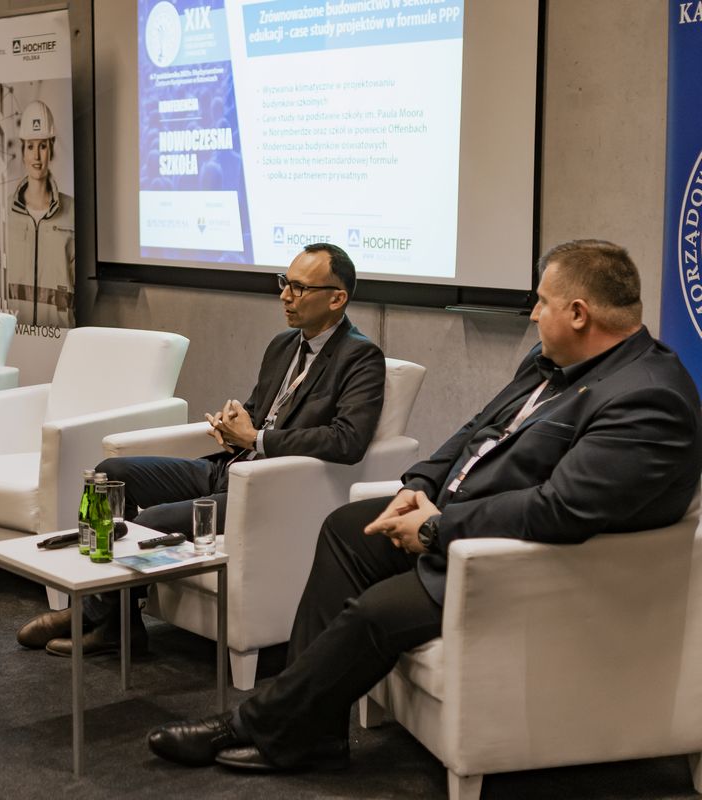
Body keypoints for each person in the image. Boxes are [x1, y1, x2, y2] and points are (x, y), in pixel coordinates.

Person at [146, 239, 702, 773]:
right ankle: (311, 732)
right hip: (458, 520)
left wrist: (438, 528)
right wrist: (415, 486)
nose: (533, 314)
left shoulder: (647, 399)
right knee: (346, 529)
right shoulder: (551, 359)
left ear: (578, 314)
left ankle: (254, 724)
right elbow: (477, 428)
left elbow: (558, 511)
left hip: (515, 561)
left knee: (373, 612)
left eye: (541, 302)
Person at [18, 243, 386, 657]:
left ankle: (95, 616)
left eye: (299, 288)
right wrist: (232, 425)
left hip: (266, 489)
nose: (285, 296)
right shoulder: (284, 344)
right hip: (227, 468)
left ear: (337, 298)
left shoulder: (360, 357)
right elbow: (259, 412)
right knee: (109, 474)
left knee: (150, 522)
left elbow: (347, 440)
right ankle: (115, 622)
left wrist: (256, 439)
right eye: (285, 283)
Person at [7, 99, 76, 328]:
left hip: (59, 335)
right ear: (23, 151)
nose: (36, 156)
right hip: (13, 336)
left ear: (52, 148)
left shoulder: (71, 211)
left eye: (43, 146)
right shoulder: (5, 212)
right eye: (30, 146)